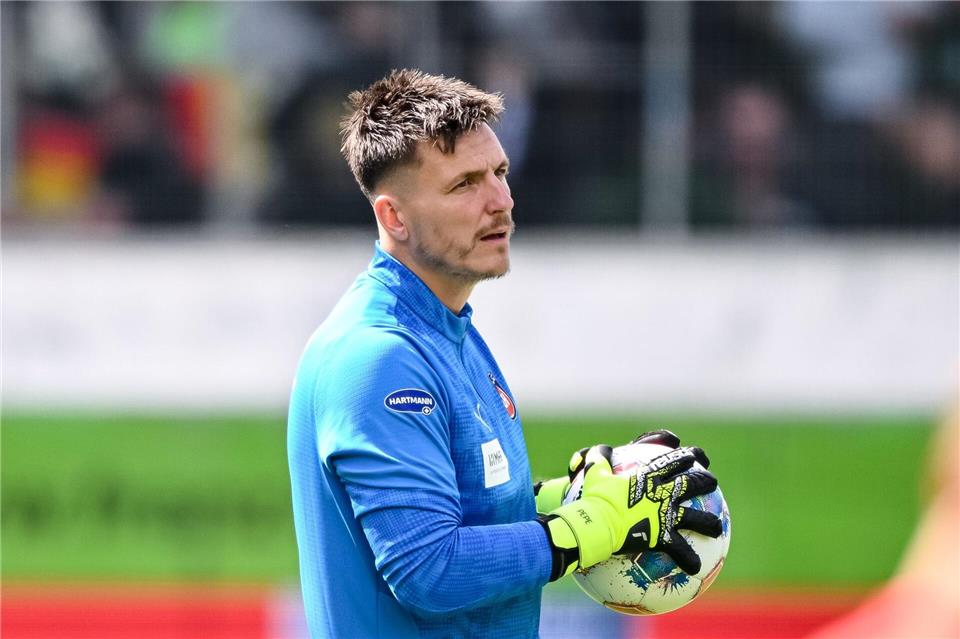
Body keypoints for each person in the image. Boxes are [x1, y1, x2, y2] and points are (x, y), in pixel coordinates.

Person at [287, 69, 721, 639]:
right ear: (394, 217)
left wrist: (579, 496)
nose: (501, 201)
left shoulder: (449, 334)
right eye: (464, 184)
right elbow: (428, 567)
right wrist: (585, 530)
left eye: (500, 172)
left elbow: (458, 507)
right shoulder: (378, 356)